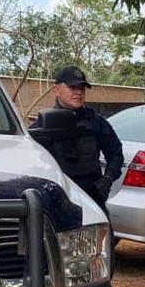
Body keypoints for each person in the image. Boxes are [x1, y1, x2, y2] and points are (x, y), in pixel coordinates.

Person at [35, 65, 124, 211]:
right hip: (59, 199)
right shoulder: (43, 125)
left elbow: (116, 153)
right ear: (57, 90)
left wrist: (107, 179)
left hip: (92, 199)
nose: (78, 93)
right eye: (72, 88)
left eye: (82, 88)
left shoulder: (95, 121)